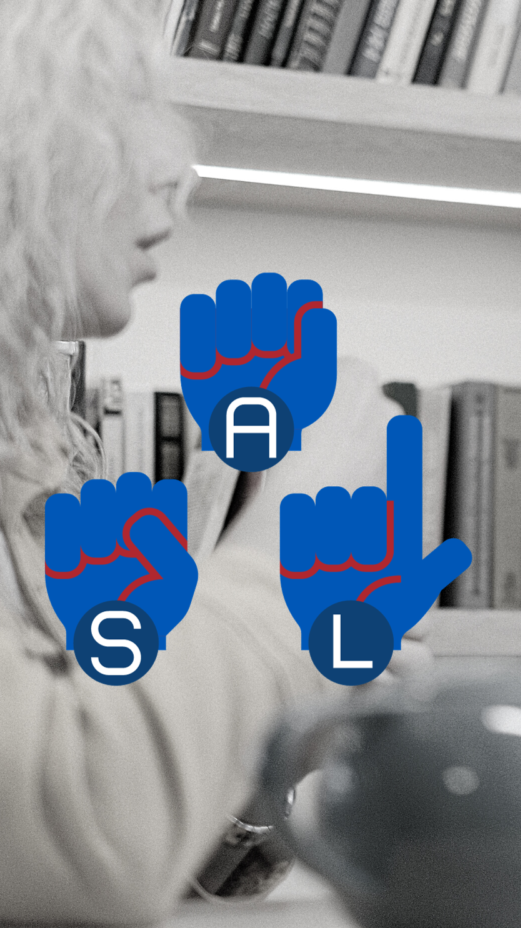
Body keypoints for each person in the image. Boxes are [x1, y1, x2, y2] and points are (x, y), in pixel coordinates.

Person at [0, 0, 415, 919]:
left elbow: (113, 870)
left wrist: (274, 721)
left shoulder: (36, 449)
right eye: (121, 105)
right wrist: (295, 535)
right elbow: (79, 849)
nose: (178, 177)